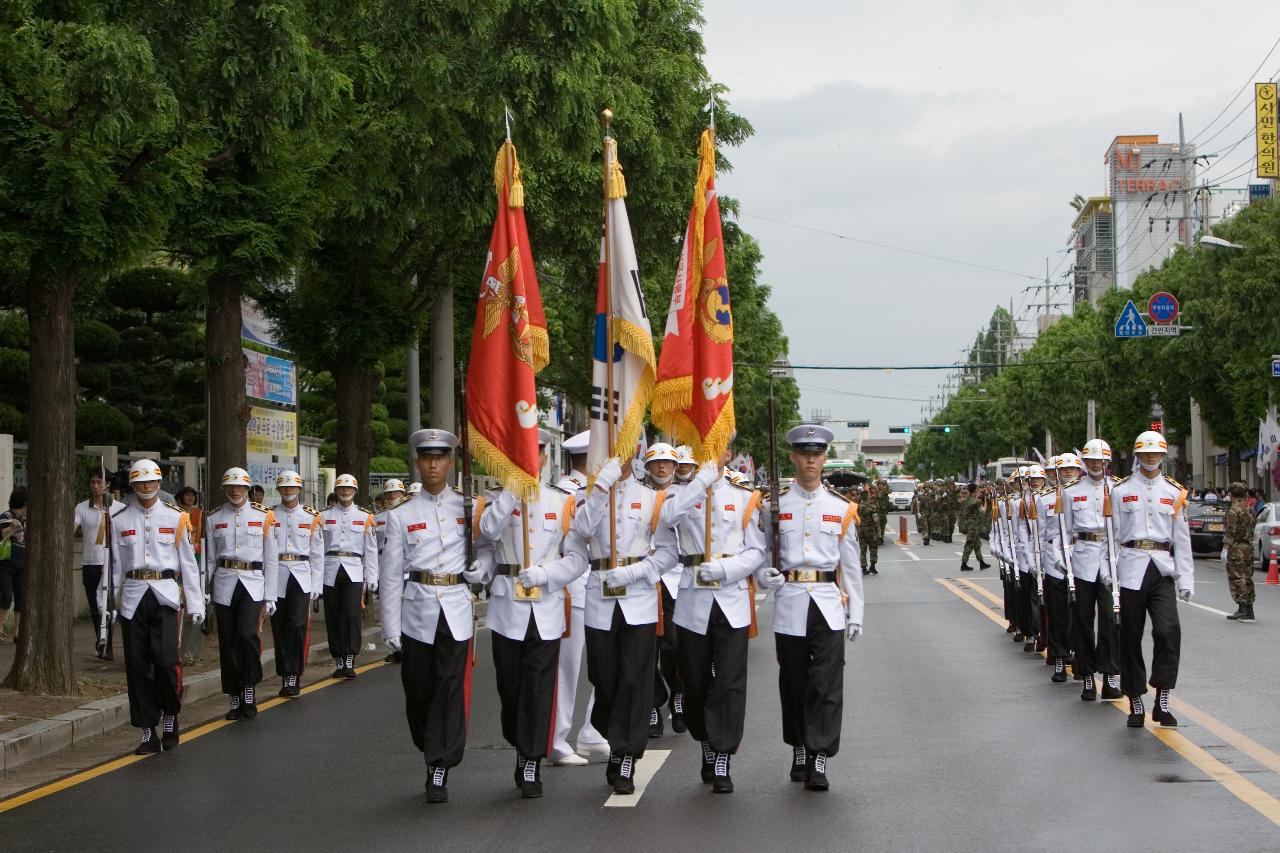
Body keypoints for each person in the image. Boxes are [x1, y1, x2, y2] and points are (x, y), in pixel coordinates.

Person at [474, 428, 581, 799]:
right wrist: (512, 491)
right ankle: (520, 741)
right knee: (511, 688)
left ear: (546, 458)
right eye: (521, 453)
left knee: (539, 688)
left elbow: (577, 558)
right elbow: (486, 533)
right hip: (507, 608)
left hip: (546, 608)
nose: (529, 459)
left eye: (535, 453)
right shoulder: (494, 499)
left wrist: (549, 575)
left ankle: (531, 759)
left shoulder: (562, 501)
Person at [755, 424, 863, 791]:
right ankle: (799, 747)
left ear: (825, 458)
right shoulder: (775, 504)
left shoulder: (841, 507)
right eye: (805, 453)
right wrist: (763, 576)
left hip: (828, 604)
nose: (811, 459)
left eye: (817, 454)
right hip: (790, 602)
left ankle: (818, 756)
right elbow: (760, 553)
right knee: (794, 682)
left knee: (827, 685)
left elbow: (850, 566)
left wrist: (857, 613)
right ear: (793, 457)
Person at [658, 447, 765, 794]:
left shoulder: (742, 495)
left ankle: (722, 755)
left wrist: (724, 568)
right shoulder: (680, 493)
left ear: (730, 452)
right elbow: (669, 516)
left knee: (731, 681)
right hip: (693, 600)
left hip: (731, 599)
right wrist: (701, 479)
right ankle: (704, 739)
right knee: (695, 679)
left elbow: (756, 551)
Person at [569, 450, 676, 794]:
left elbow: (668, 553)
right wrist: (601, 487)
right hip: (600, 597)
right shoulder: (590, 495)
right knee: (603, 677)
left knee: (635, 679)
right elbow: (582, 530)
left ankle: (626, 755)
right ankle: (613, 733)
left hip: (639, 600)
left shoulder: (652, 498)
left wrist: (634, 572)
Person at [381, 428, 476, 804]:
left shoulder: (468, 507)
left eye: (440, 457)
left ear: (451, 462)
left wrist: (480, 570)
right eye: (426, 457)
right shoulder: (401, 514)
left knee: (449, 686)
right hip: (417, 609)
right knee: (419, 690)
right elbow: (390, 576)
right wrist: (391, 627)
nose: (433, 464)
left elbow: (482, 551)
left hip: (455, 606)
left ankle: (440, 764)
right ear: (418, 462)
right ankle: (428, 743)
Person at [107, 459, 205, 754]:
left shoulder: (176, 518)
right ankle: (148, 729)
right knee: (137, 665)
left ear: (159, 484)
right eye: (140, 482)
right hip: (133, 596)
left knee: (165, 662)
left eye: (150, 482)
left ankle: (171, 716)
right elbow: (113, 568)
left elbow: (188, 564)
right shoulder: (119, 519)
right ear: (133, 486)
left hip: (164, 595)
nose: (146, 487)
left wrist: (196, 602)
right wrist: (109, 604)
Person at [1111, 430, 1193, 728]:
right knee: (1130, 636)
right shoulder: (1120, 491)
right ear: (1137, 456)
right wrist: (1112, 572)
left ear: (1162, 456)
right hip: (1131, 567)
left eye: (1156, 453)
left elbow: (1181, 540)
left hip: (1162, 568)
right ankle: (1134, 698)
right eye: (1145, 453)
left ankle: (1163, 696)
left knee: (1168, 631)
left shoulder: (1174, 491)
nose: (1150, 457)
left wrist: (1186, 579)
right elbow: (1113, 537)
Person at [204, 468, 278, 720]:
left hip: (252, 583)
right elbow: (210, 559)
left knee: (247, 635)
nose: (235, 491)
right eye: (230, 487)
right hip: (225, 584)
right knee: (228, 642)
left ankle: (249, 688)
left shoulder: (264, 516)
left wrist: (270, 596)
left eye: (240, 487)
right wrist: (204, 591)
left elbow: (271, 559)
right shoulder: (214, 518)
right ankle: (234, 695)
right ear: (224, 490)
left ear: (248, 490)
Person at [549, 429, 596, 767]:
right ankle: (557, 739)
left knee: (607, 666)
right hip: (574, 588)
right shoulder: (568, 493)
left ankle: (594, 730)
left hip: (604, 585)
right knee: (568, 668)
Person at [1063, 440, 1123, 701]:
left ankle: (1109, 676)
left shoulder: (1118, 489)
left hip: (1110, 560)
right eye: (1091, 460)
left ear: (1107, 462)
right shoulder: (1070, 492)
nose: (1096, 464)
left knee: (1110, 620)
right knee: (1083, 621)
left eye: (1101, 460)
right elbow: (1063, 532)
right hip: (1083, 559)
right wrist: (1063, 563)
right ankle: (1087, 676)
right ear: (1084, 463)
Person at [641, 442, 684, 739]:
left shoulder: (685, 496)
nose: (662, 468)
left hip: (674, 578)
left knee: (673, 645)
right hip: (644, 579)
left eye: (667, 463)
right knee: (647, 647)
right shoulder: (638, 496)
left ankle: (679, 694)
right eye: (656, 463)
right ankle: (653, 704)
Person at [269, 471, 324, 696]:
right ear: (279, 490)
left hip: (301, 575)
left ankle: (294, 674)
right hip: (277, 574)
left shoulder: (311, 517)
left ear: (299, 489)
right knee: (280, 626)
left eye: (292, 487)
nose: (288, 490)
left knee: (298, 625)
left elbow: (317, 554)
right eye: (284, 487)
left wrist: (317, 586)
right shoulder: (269, 515)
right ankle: (284, 674)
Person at [319, 474, 378, 679]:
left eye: (348, 489)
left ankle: (350, 658)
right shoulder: (323, 516)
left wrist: (372, 577)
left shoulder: (365, 516)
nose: (345, 492)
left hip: (353, 569)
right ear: (336, 491)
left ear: (355, 491)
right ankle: (338, 658)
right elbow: (317, 550)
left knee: (352, 614)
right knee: (333, 615)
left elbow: (370, 550)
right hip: (330, 568)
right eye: (341, 489)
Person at [73, 471, 112, 658]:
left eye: (100, 482)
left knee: (107, 604)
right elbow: (72, 526)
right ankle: (101, 640)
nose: (96, 486)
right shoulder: (81, 508)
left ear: (107, 485)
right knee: (94, 606)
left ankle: (108, 643)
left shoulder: (117, 508)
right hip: (89, 562)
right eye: (93, 482)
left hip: (110, 564)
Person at [375, 479, 409, 663]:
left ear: (402, 494)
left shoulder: (408, 515)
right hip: (384, 565)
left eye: (395, 493)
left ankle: (407, 643)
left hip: (405, 566)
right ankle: (393, 647)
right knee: (388, 607)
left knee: (406, 608)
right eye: (388, 493)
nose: (391, 496)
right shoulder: (378, 517)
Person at [1224, 482, 1256, 622]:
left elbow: (1231, 531)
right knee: (1247, 577)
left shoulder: (1234, 510)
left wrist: (1225, 549)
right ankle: (1249, 608)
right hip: (1248, 547)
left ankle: (1242, 608)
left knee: (1238, 577)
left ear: (1231, 494)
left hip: (1237, 548)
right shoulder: (1249, 509)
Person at [0, 487, 29, 643]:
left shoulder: (27, 519)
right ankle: (0, 628)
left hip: (22, 564)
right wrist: (11, 527)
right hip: (6, 563)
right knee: (6, 596)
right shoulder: (6, 516)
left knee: (20, 598)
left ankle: (17, 632)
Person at [958, 482, 990, 571]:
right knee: (970, 543)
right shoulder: (975, 501)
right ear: (975, 490)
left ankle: (981, 562)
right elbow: (983, 511)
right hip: (973, 525)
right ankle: (964, 564)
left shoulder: (966, 499)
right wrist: (986, 501)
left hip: (969, 523)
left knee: (977, 544)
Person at [857, 484, 880, 575]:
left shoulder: (857, 507)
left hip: (861, 531)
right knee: (873, 548)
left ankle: (864, 568)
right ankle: (872, 566)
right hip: (871, 531)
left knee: (863, 550)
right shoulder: (872, 506)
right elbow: (876, 520)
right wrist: (879, 532)